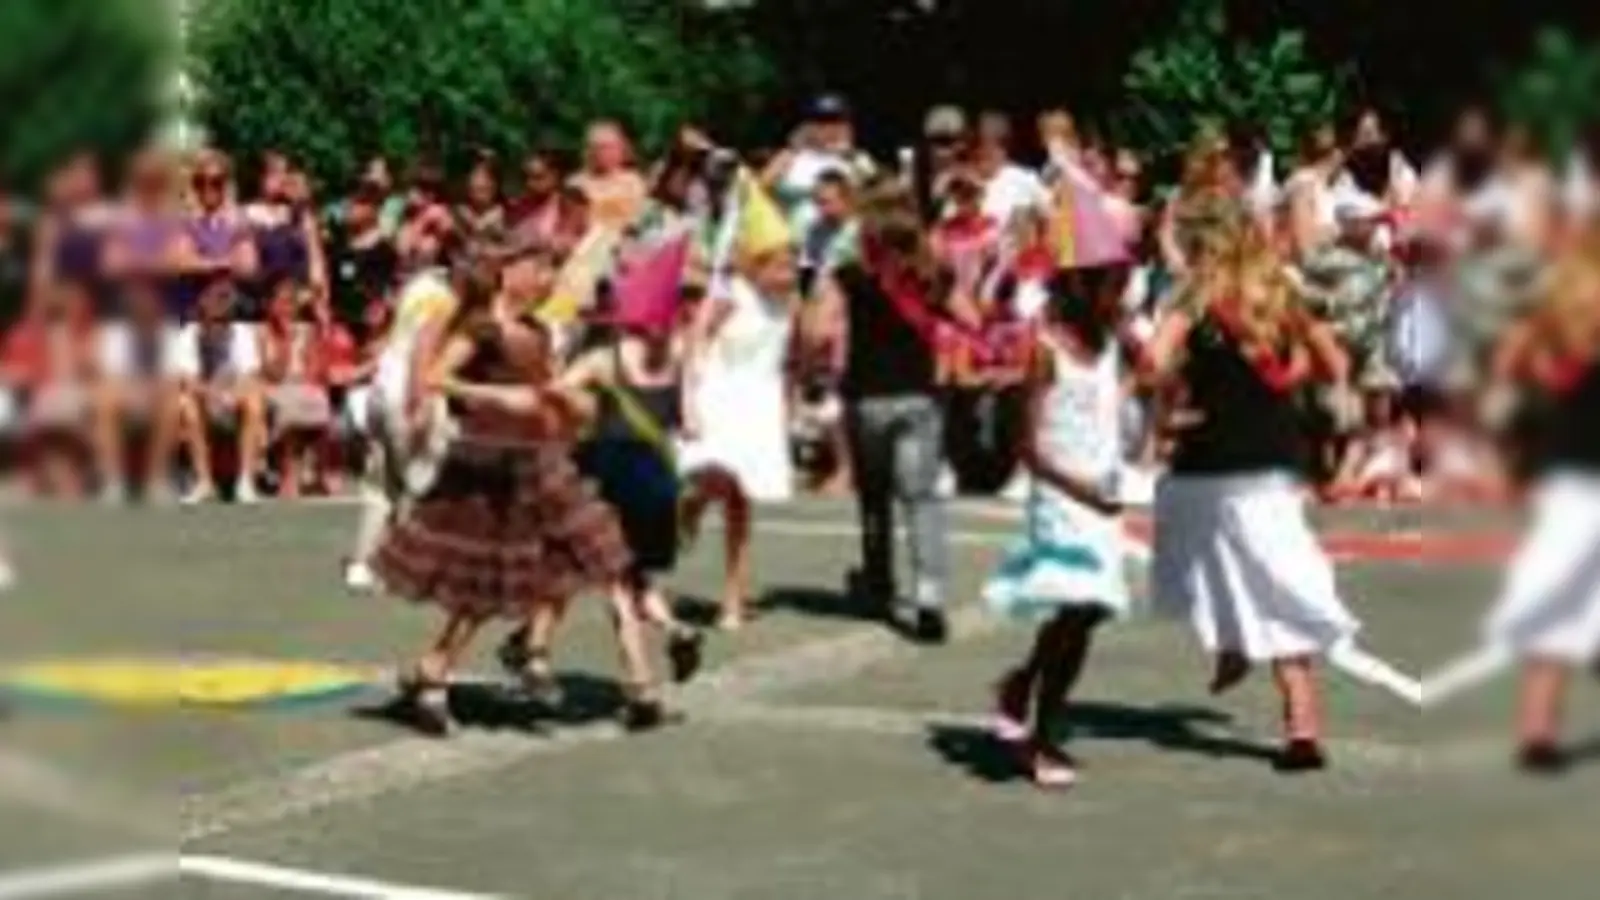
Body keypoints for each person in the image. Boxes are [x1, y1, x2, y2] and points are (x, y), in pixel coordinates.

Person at [1143, 213, 1414, 772]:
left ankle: (1233, 647)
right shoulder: (1279, 295)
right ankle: (1301, 725)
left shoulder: (1194, 297)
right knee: (1276, 574)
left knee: (1196, 548)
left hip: (1208, 459)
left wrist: (1177, 396)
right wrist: (1290, 377)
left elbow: (1153, 361)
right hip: (1269, 456)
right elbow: (1335, 362)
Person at [372, 261, 632, 736]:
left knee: (581, 550)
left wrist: (569, 403)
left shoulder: (537, 330)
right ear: (508, 272)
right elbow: (434, 378)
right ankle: (436, 672)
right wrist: (494, 396)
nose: (546, 277)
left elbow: (544, 390)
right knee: (484, 583)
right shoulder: (482, 329)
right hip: (487, 463)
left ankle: (519, 652)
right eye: (536, 268)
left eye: (550, 270)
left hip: (538, 460)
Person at [985, 268, 1130, 789]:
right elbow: (1028, 448)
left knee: (1090, 612)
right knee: (1078, 602)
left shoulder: (1110, 344)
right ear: (1086, 290)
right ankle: (1041, 735)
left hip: (1102, 493)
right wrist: (1079, 489)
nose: (1124, 294)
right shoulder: (1045, 350)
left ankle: (1022, 683)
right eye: (1115, 285)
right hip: (1060, 495)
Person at [1477, 232, 1600, 773]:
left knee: (1555, 593)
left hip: (1569, 465)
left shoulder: (1561, 304)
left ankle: (1537, 729)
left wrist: (1544, 390)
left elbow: (1508, 363)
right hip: (1575, 465)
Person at [808, 188, 950, 642]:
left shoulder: (850, 276)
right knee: (921, 497)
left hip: (866, 397)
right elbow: (970, 314)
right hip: (919, 396)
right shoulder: (932, 276)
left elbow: (816, 331)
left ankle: (879, 582)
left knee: (875, 495)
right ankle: (928, 593)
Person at [679, 208, 799, 630]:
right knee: (719, 477)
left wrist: (789, 406)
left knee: (741, 501)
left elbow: (788, 359)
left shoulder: (788, 302)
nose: (789, 271)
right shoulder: (729, 294)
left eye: (791, 263)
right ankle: (693, 503)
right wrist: (689, 400)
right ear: (756, 262)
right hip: (720, 393)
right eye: (780, 263)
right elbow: (695, 344)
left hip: (760, 400)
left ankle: (733, 595)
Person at [341, 223, 460, 590]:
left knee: (382, 483)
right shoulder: (442, 294)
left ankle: (363, 564)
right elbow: (422, 348)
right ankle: (410, 567)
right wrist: (419, 399)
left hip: (381, 390)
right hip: (407, 391)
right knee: (422, 481)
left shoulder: (414, 287)